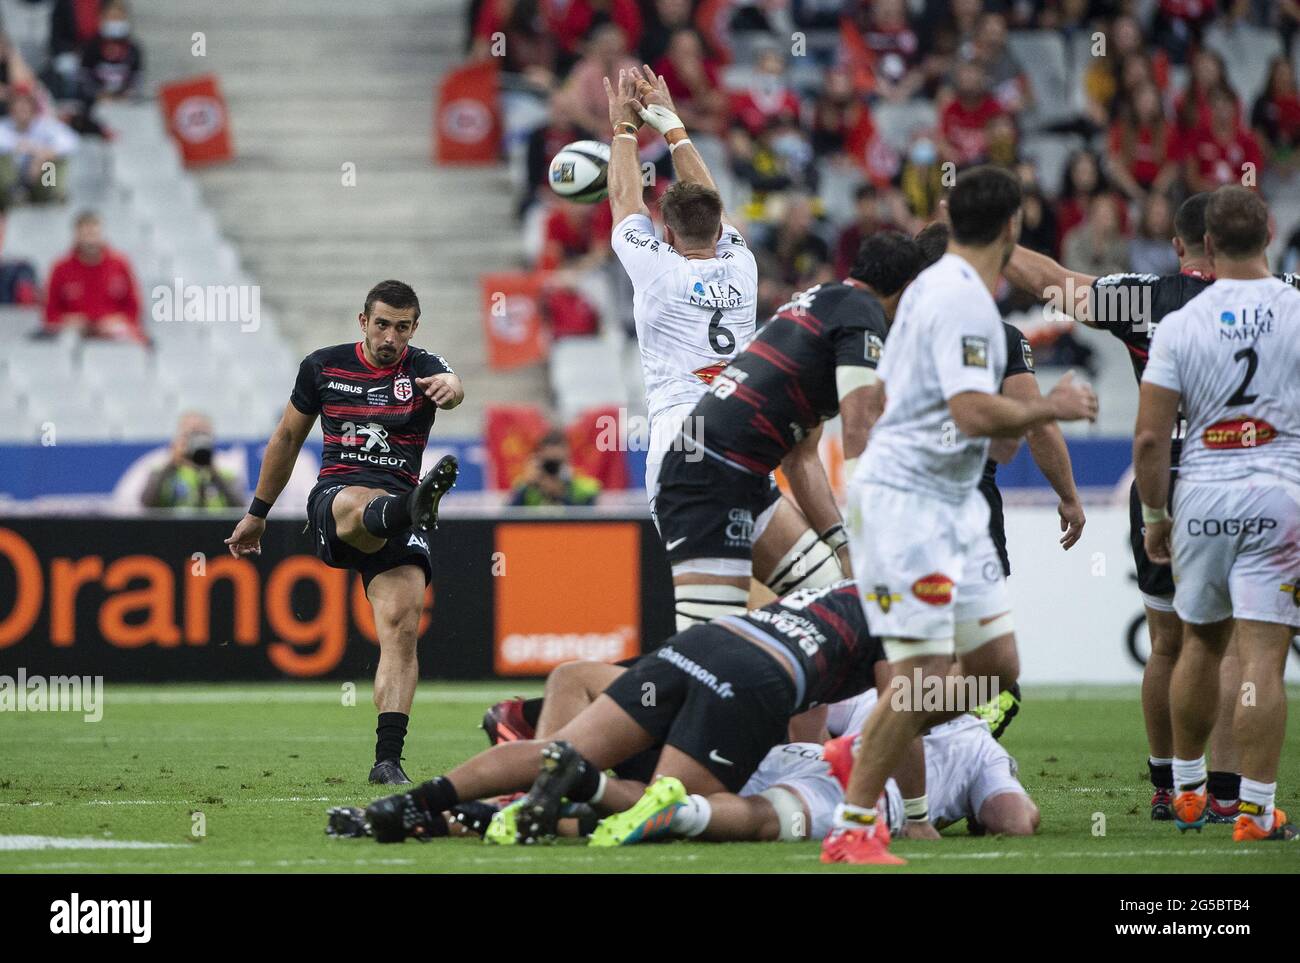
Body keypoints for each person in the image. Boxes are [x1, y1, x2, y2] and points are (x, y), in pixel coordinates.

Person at [825, 166, 1098, 865]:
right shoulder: (962, 302)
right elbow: (971, 412)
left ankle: (868, 737)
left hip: (954, 501)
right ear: (1012, 226)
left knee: (995, 666)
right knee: (922, 673)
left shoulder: (943, 289)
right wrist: (1053, 405)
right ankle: (853, 822)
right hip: (910, 503)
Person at [1004, 192, 1300, 823]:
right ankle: (1234, 796)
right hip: (1264, 482)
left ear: (1182, 245)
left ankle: (1173, 788)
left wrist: (987, 243)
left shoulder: (1147, 302)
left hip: (1170, 484)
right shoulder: (1289, 297)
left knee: (1171, 642)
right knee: (1244, 650)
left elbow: (1053, 281)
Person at [361, 579, 886, 844]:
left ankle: (413, 804)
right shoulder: (902, 624)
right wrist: (917, 813)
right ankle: (563, 794)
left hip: (706, 643)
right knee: (663, 806)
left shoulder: (840, 591)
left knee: (556, 750)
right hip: (750, 685)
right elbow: (883, 720)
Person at [223, 280, 464, 785]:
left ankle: (387, 762)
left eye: (402, 328)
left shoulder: (420, 366)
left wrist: (451, 388)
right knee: (358, 504)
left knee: (402, 627)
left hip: (398, 511)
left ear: (414, 328)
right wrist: (258, 512)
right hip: (338, 498)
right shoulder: (322, 367)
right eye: (382, 324)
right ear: (363, 322)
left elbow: (452, 384)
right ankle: (411, 506)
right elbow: (287, 437)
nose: (391, 337)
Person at [1135, 186, 1300, 842]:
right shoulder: (1296, 309)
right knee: (1262, 657)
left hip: (1201, 496)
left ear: (1205, 245)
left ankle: (1187, 791)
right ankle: (1255, 812)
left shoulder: (1180, 324)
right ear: (1271, 236)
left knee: (1197, 644)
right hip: (1277, 495)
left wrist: (1155, 516)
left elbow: (1151, 438)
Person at [655, 230, 922, 630]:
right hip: (709, 478)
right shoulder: (862, 315)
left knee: (838, 611)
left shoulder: (825, 301)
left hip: (741, 479)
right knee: (706, 646)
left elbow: (801, 460)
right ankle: (580, 677)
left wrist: (844, 545)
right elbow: (859, 431)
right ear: (909, 289)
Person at [915, 222, 1086, 737]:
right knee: (977, 650)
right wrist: (1069, 498)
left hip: (902, 499)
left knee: (917, 650)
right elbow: (1035, 425)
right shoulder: (997, 337)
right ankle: (968, 727)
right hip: (968, 500)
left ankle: (924, 749)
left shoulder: (886, 332)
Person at [603, 67, 759, 565]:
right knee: (751, 572)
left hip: (682, 430)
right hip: (745, 427)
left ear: (666, 234)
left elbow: (625, 201)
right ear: (719, 229)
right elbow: (711, 205)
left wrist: (624, 128)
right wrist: (673, 128)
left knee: (694, 574)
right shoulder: (744, 265)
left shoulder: (658, 270)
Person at [43, 210, 143, 342]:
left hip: (113, 331)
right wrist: (69, 320)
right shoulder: (60, 267)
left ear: (101, 234)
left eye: (94, 234)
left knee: (127, 336)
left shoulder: (120, 264)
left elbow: (134, 309)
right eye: (85, 234)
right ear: (76, 235)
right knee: (65, 339)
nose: (90, 240)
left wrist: (115, 320)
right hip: (75, 332)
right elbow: (50, 313)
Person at [141, 412, 242, 509]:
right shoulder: (160, 470)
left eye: (202, 435)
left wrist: (214, 472)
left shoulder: (226, 471)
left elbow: (240, 507)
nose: (196, 441)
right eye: (190, 435)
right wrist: (171, 465)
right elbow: (146, 503)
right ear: (178, 438)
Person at [0, 88, 78, 203]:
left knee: (53, 161)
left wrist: (42, 155)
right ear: (11, 110)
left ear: (32, 110)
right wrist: (21, 147)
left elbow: (70, 142)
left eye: (25, 109)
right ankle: (12, 194)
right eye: (17, 109)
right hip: (13, 180)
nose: (21, 113)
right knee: (3, 158)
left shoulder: (46, 125)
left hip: (38, 178)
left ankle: (52, 194)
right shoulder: (4, 125)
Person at [507, 428, 600, 506]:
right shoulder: (527, 486)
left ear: (568, 458)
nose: (552, 468)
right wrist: (526, 487)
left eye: (557, 463)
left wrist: (561, 495)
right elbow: (506, 517)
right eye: (548, 463)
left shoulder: (586, 488)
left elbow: (589, 519)